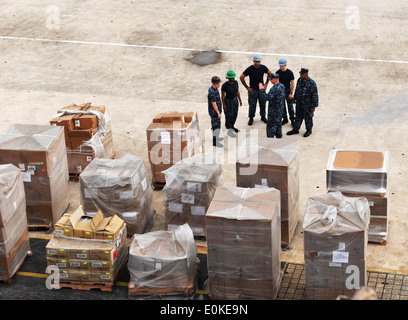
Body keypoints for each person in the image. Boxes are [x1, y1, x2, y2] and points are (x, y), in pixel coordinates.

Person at [240, 54, 271, 126]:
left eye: (259, 61)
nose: (258, 63)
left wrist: (266, 84)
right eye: (256, 62)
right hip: (252, 90)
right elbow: (241, 77)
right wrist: (247, 87)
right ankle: (251, 118)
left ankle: (263, 116)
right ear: (253, 61)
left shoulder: (263, 67)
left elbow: (269, 73)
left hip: (261, 90)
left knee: (263, 103)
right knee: (252, 105)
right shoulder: (250, 69)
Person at [287, 68, 319, 137]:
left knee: (308, 118)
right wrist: (294, 98)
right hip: (299, 103)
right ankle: (296, 129)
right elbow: (297, 90)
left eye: (302, 74)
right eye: (300, 74)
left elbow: (315, 95)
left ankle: (309, 130)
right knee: (298, 116)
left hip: (308, 105)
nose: (300, 75)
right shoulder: (299, 80)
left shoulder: (312, 83)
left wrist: (313, 106)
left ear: (306, 74)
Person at [259, 73, 286, 138]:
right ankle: (279, 140)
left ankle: (270, 143)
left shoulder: (274, 88)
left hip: (273, 112)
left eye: (271, 79)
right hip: (280, 111)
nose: (270, 80)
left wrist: (261, 89)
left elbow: (266, 98)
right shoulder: (282, 86)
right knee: (278, 126)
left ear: (275, 79)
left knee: (270, 128)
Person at [221, 70, 242, 137]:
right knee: (229, 116)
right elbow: (222, 95)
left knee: (234, 115)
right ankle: (229, 130)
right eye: (232, 78)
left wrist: (240, 100)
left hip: (235, 101)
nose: (233, 79)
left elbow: (237, 91)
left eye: (234, 77)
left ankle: (232, 126)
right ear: (228, 78)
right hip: (228, 102)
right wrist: (224, 105)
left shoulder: (236, 83)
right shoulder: (225, 85)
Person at [276, 58, 295, 126]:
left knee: (290, 106)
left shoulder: (289, 73)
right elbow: (276, 83)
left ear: (285, 65)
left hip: (287, 90)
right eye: (280, 66)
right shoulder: (277, 73)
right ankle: (285, 119)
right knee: (282, 106)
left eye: (282, 66)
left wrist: (291, 93)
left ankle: (292, 119)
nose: (281, 67)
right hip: (281, 91)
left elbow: (292, 83)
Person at [207, 76, 224, 147]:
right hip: (214, 113)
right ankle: (215, 142)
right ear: (214, 83)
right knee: (215, 127)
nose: (219, 85)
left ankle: (217, 138)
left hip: (217, 111)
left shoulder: (215, 89)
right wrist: (218, 113)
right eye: (218, 83)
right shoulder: (212, 92)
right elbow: (214, 104)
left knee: (218, 126)